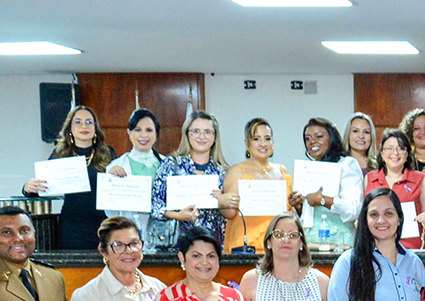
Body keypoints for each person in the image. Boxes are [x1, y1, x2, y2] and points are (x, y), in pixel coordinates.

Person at [22, 105, 116, 249]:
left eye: (89, 122)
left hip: (103, 225)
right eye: (78, 122)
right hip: (72, 226)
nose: (84, 126)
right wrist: (27, 187)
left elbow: (118, 188)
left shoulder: (108, 153)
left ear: (95, 128)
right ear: (70, 128)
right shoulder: (61, 154)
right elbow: (42, 187)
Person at [150, 110, 235, 246]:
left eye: (208, 132)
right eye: (196, 131)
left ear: (214, 137)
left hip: (214, 245)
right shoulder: (171, 165)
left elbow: (231, 213)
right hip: (178, 246)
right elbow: (155, 204)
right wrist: (178, 216)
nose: (202, 136)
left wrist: (222, 201)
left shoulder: (224, 171)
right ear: (187, 134)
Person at [221, 117, 303, 252]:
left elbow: (291, 212)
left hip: (282, 245)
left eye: (267, 138)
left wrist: (298, 205)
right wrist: (222, 202)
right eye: (256, 139)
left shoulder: (283, 171)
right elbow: (229, 212)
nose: (263, 144)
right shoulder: (237, 171)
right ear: (247, 144)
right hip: (248, 246)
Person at [300, 117, 364, 248]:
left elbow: (354, 209)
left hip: (339, 244)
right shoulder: (308, 169)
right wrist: (298, 206)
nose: (313, 142)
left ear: (331, 138)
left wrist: (323, 200)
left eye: (319, 136)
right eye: (308, 138)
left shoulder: (346, 164)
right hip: (310, 244)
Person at [364, 128, 425, 249]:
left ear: (407, 154)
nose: (395, 153)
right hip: (376, 249)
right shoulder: (370, 178)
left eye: (400, 148)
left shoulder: (420, 179)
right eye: (389, 148)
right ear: (381, 153)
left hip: (412, 249)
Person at [103, 108, 162, 243]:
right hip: (128, 236)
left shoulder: (167, 164)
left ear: (156, 134)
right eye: (137, 130)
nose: (143, 135)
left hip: (162, 235)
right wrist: (109, 183)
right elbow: (109, 212)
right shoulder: (115, 167)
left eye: (149, 130)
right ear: (129, 133)